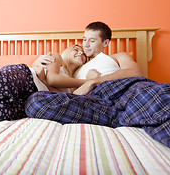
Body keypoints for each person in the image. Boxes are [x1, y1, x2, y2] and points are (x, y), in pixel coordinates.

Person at [25, 22, 170, 148]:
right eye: (84, 39)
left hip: (124, 88)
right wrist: (41, 75)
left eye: (92, 40)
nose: (85, 45)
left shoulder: (118, 56)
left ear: (105, 43)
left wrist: (93, 81)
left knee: (158, 96)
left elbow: (135, 73)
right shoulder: (75, 71)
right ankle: (124, 117)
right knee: (35, 102)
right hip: (97, 103)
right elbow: (66, 94)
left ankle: (127, 117)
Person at [0, 45, 88, 121]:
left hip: (30, 99)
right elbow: (53, 78)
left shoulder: (71, 84)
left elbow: (55, 94)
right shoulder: (57, 58)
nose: (80, 52)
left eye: (84, 54)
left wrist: (44, 81)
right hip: (27, 78)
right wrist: (87, 81)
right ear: (68, 51)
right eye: (76, 49)